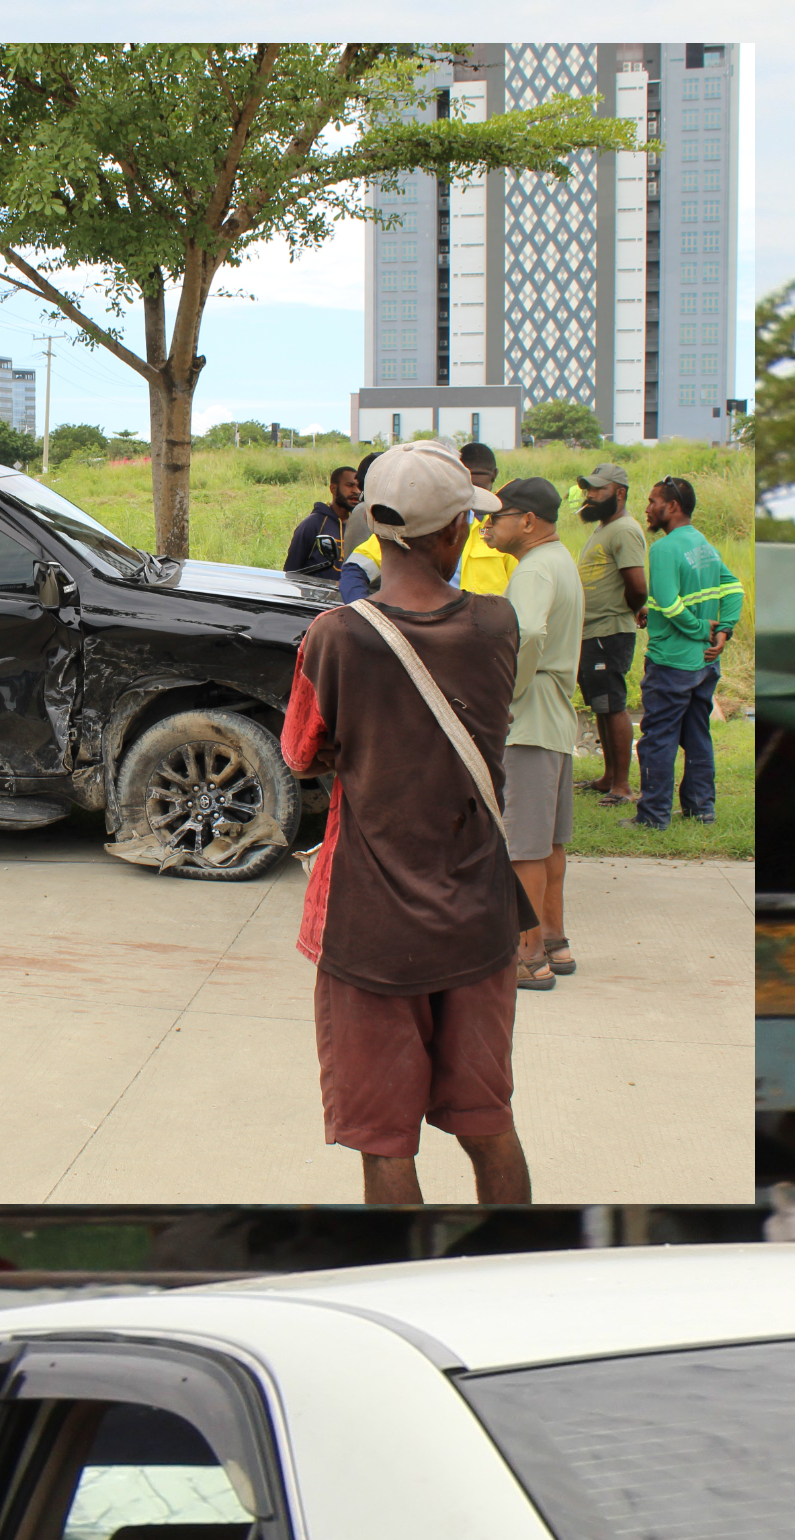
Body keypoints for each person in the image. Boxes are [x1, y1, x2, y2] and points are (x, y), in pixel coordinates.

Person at [277, 439, 530, 1210]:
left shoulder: (336, 636)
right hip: (479, 922)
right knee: (490, 1128)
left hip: (371, 928)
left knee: (384, 1147)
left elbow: (300, 753)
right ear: (455, 533)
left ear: (374, 534)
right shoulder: (496, 625)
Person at [488, 474, 584, 994]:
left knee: (524, 845)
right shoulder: (560, 561)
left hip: (529, 717)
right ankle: (554, 941)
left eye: (495, 517)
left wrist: (506, 693)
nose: (487, 526)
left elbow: (529, 635)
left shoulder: (532, 569)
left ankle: (527, 957)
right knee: (548, 842)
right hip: (555, 717)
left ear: (526, 522)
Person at [633, 474, 739, 831]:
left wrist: (698, 630)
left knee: (658, 738)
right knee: (697, 735)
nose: (647, 509)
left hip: (672, 662)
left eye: (652, 502)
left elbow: (671, 602)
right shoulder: (703, 543)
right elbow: (733, 588)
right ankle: (700, 809)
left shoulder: (663, 548)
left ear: (672, 506)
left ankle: (652, 817)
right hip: (706, 663)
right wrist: (723, 631)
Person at [575, 462, 649, 802]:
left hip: (609, 632)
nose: (590, 495)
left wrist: (634, 608)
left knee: (614, 705)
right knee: (601, 705)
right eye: (588, 489)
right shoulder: (604, 527)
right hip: (593, 632)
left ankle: (622, 786)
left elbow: (636, 584)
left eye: (598, 489)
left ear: (619, 493)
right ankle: (608, 777)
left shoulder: (623, 530)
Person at [454, 442, 515, 601]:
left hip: (493, 621)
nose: (476, 499)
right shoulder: (443, 520)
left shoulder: (507, 522)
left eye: (480, 489)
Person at [285, 465, 363, 582]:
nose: (356, 491)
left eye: (359, 487)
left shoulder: (360, 526)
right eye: (350, 485)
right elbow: (291, 570)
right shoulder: (313, 524)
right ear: (333, 489)